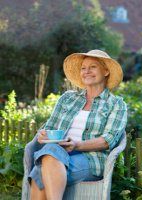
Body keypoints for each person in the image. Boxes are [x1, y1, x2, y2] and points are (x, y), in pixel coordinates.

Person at [28, 49, 127, 200]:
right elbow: (50, 127)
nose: (87, 71)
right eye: (83, 68)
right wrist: (43, 135)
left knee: (38, 172)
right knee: (51, 151)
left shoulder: (116, 104)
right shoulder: (67, 98)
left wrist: (76, 145)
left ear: (106, 71)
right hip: (54, 152)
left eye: (93, 67)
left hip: (90, 159)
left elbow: (108, 140)